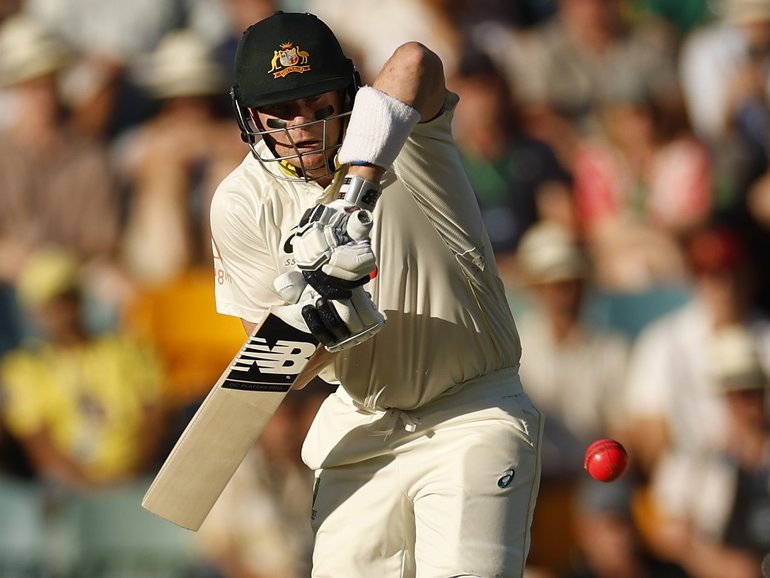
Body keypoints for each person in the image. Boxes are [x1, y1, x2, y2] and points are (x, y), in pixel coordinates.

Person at [210, 11, 543, 577]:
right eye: (282, 113)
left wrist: (352, 201)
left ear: (350, 92)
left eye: (318, 105)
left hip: (471, 412)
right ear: (250, 116)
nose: (302, 127)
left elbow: (416, 61)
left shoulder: (404, 133)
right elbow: (276, 372)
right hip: (362, 426)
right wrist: (326, 306)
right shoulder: (240, 201)